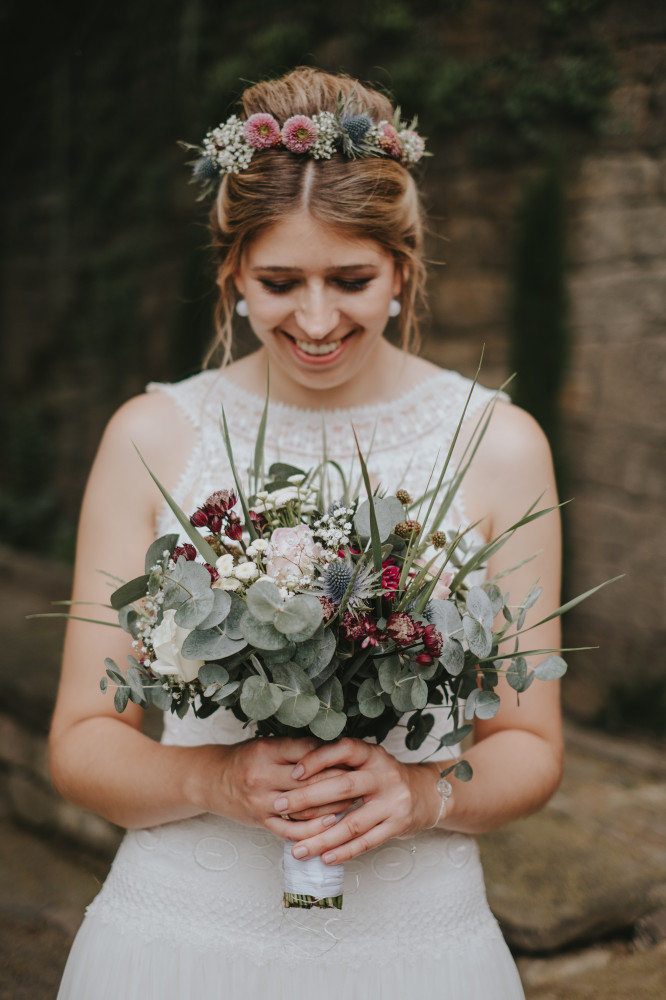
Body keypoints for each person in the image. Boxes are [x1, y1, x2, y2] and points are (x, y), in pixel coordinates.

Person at [50, 67, 563, 999]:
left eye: (351, 280)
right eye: (280, 281)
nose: (317, 319)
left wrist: (422, 796)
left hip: (416, 942)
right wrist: (214, 783)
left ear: (402, 272)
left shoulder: (497, 443)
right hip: (181, 936)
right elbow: (83, 738)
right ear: (232, 271)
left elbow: (531, 748)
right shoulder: (151, 436)